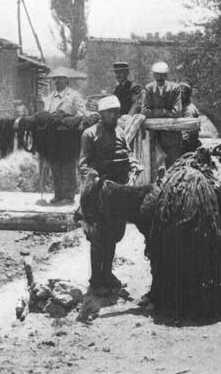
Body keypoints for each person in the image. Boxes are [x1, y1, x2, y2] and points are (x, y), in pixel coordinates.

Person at [79, 95, 137, 295]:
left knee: (114, 234)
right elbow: (83, 164)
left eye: (116, 112)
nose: (114, 115)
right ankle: (96, 279)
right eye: (110, 112)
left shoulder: (120, 131)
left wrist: (134, 164)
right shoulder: (90, 134)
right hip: (99, 193)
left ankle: (108, 274)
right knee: (98, 237)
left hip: (118, 192)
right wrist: (93, 178)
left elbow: (126, 154)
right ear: (102, 114)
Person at [42, 67, 87, 204]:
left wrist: (66, 119)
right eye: (56, 79)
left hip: (68, 136)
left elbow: (82, 114)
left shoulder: (74, 95)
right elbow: (45, 115)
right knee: (55, 165)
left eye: (61, 78)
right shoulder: (50, 97)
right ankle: (58, 194)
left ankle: (69, 195)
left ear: (67, 80)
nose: (58, 81)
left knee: (68, 165)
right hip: (53, 136)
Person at [142, 62, 182, 167]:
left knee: (173, 167)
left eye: (162, 75)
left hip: (171, 136)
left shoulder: (175, 89)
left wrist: (156, 112)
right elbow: (145, 111)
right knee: (152, 169)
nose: (160, 77)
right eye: (157, 74)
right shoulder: (149, 88)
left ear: (166, 75)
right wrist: (166, 112)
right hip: (153, 136)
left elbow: (177, 112)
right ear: (153, 75)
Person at [179, 82, 201, 154]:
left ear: (188, 95)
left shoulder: (188, 110)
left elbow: (187, 133)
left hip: (188, 147)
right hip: (189, 144)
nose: (180, 96)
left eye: (183, 93)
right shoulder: (185, 107)